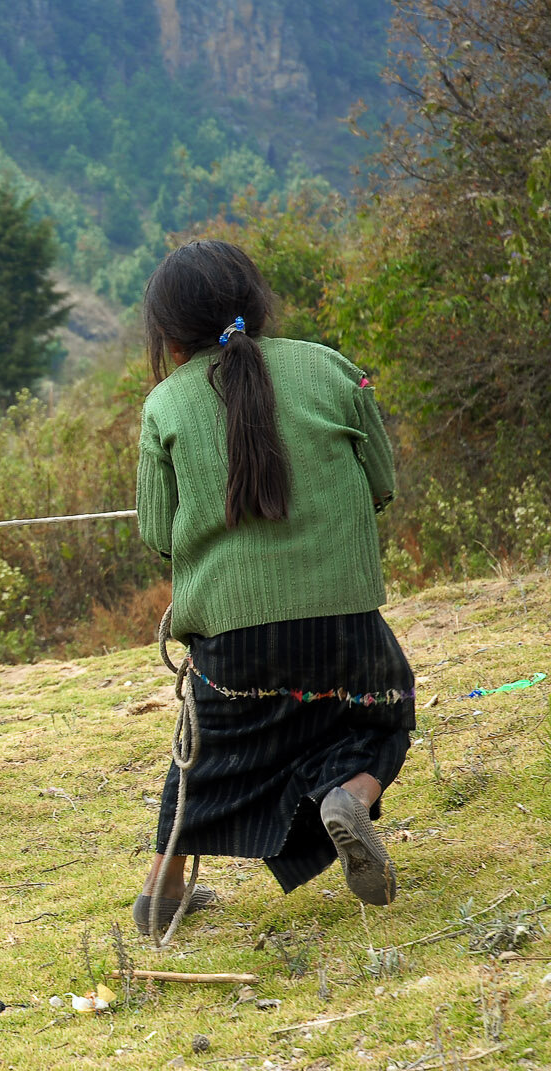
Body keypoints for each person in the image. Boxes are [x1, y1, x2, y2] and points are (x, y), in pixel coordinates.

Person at [132, 239, 415, 937]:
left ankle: (163, 892)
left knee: (207, 744)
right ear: (257, 304)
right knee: (384, 709)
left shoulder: (164, 405)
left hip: (232, 642)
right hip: (344, 626)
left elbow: (157, 536)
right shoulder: (331, 369)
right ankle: (350, 793)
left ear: (167, 334)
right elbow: (382, 485)